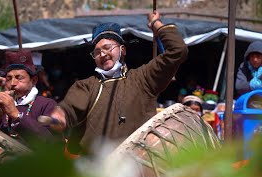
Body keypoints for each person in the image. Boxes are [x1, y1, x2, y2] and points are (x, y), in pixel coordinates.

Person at [48, 10, 188, 154]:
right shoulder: (86, 86)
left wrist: (155, 24)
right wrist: (60, 115)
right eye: (96, 52)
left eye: (107, 48)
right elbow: (69, 108)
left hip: (141, 168)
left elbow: (178, 50)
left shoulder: (143, 78)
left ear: (123, 50)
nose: (102, 54)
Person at [0, 50, 61, 144]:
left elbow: (52, 143)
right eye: (9, 78)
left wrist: (17, 115)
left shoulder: (47, 104)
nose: (12, 83)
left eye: (19, 78)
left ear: (34, 80)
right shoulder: (3, 105)